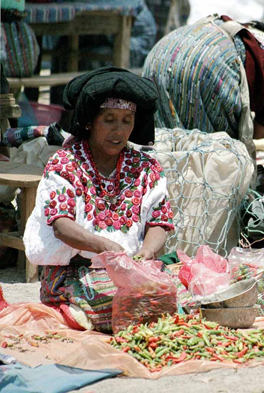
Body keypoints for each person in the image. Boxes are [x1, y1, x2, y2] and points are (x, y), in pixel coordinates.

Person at [23, 67, 188, 332]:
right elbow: (61, 225)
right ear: (89, 121)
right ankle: (75, 310)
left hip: (129, 269)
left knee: (185, 291)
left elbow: (159, 220)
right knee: (128, 304)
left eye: (126, 120)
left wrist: (147, 252)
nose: (118, 130)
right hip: (74, 273)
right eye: (109, 119)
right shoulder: (65, 164)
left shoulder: (145, 167)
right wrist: (104, 247)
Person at [142, 15, 264, 152]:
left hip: (164, 52)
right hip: (210, 65)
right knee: (212, 151)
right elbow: (260, 130)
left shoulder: (255, 36)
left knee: (166, 141)